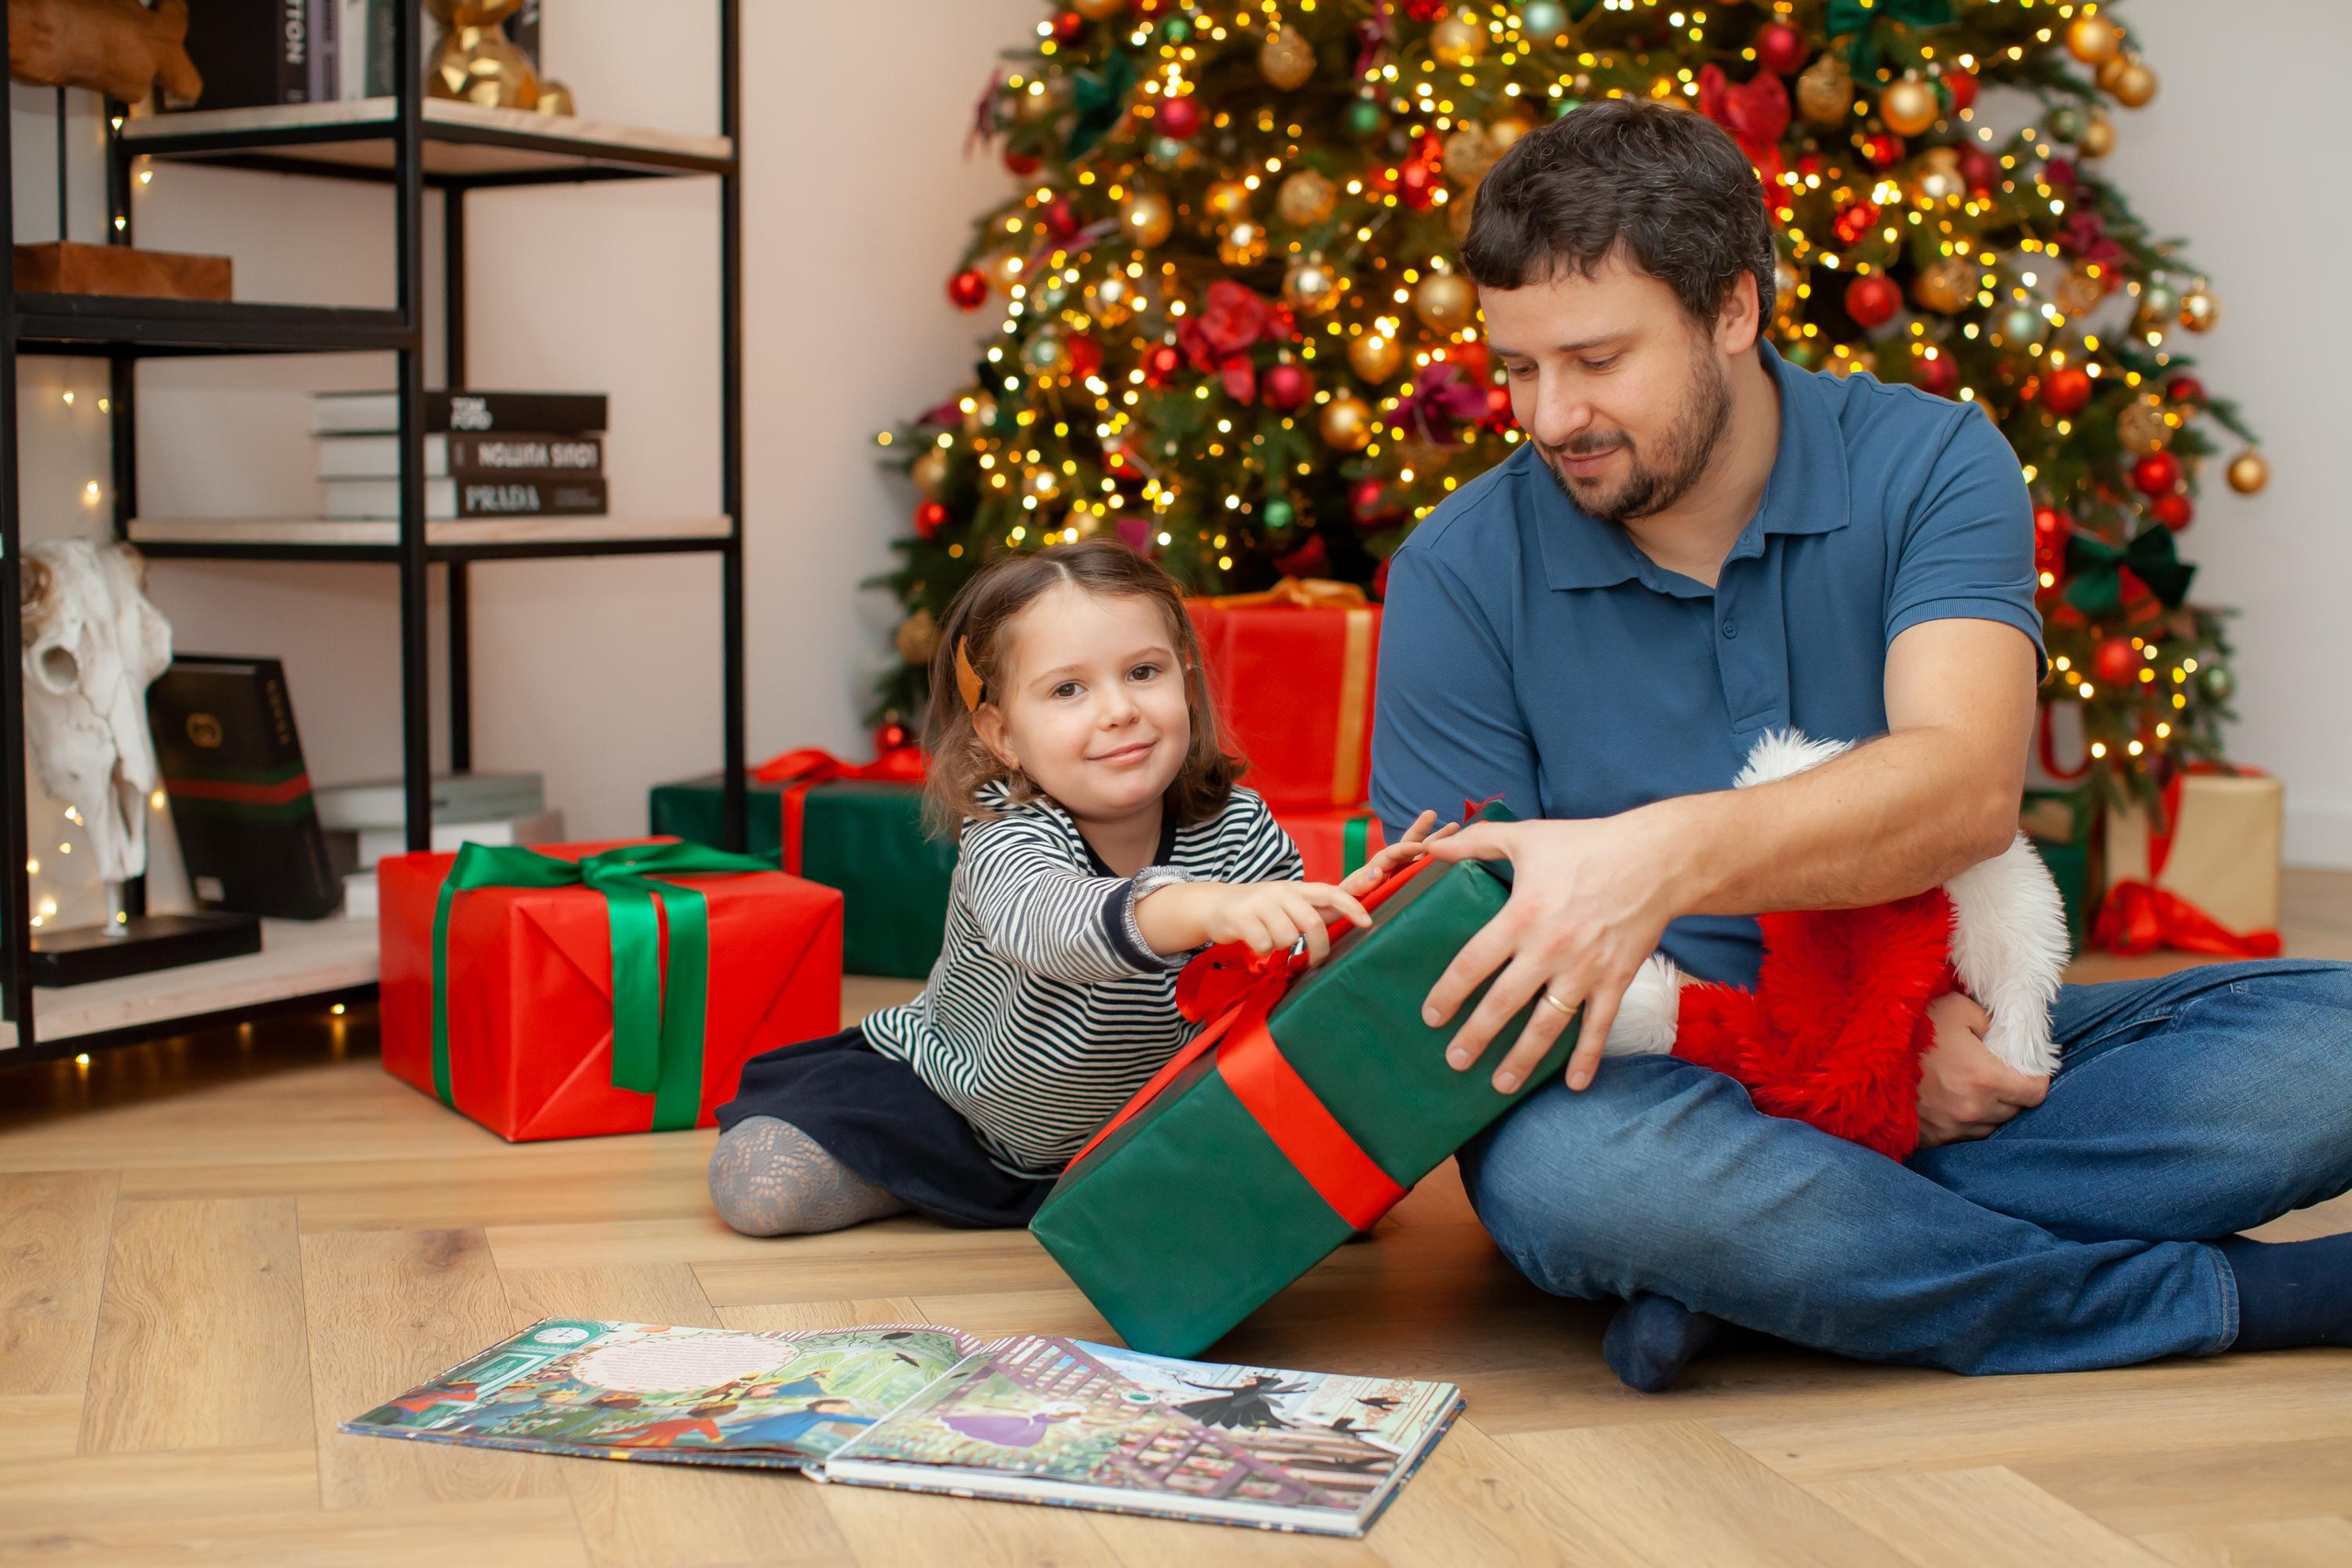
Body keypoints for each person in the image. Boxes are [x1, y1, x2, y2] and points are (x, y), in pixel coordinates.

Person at [1372, 98, 2352, 1392]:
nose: (1552, 415)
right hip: (1648, 1082)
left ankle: (1769, 1274)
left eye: (1598, 359)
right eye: (1519, 367)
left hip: (1940, 1041)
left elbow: (1963, 788)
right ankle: (2204, 1293)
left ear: (1734, 308)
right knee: (1574, 1174)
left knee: (2327, 1044)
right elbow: (1461, 970)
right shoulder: (1457, 568)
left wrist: (1663, 865)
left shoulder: (1932, 461)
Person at [710, 540, 1445, 1235]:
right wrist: (1205, 906)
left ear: (1186, 681)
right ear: (1001, 733)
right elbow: (1051, 924)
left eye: (1144, 672)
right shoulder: (1006, 834)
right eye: (1067, 689)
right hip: (959, 1111)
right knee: (760, 1188)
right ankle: (922, 1181)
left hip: (1148, 1122)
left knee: (1354, 1196)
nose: (1119, 709)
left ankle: (1106, 1186)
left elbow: (1284, 972)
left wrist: (1350, 908)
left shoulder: (1238, 825)